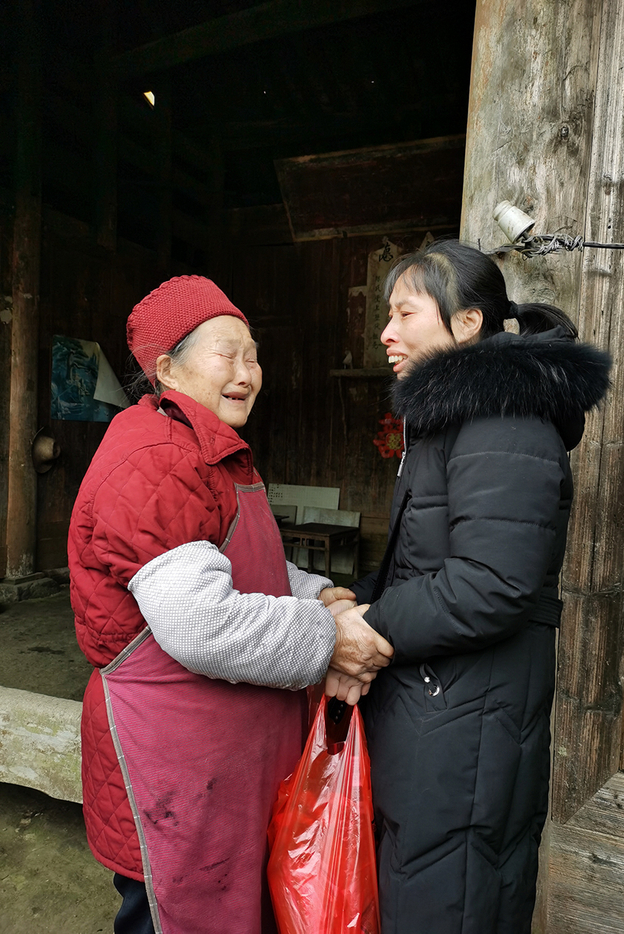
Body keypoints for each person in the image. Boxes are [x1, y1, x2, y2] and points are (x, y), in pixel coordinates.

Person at [68, 274, 393, 934]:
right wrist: (331, 636)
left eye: (253, 354)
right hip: (171, 768)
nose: (249, 372)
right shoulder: (155, 456)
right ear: (167, 367)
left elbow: (242, 570)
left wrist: (318, 594)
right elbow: (201, 622)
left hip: (215, 771)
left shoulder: (209, 450)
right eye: (227, 352)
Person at [341, 240, 611, 934]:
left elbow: (490, 584)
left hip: (468, 715)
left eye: (404, 313)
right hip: (441, 707)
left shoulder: (504, 418)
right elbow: (425, 563)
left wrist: (371, 621)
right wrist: (353, 596)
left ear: (466, 324)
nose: (386, 333)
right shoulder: (453, 418)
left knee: (452, 900)